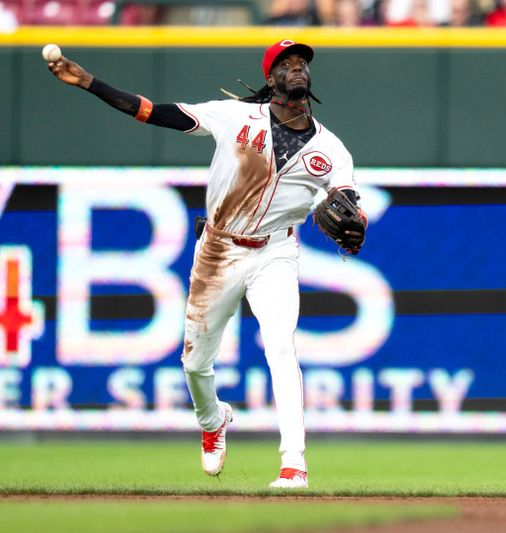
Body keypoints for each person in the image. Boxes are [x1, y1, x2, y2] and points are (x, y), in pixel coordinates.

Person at [46, 39, 367, 489]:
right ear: (270, 78)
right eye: (286, 64)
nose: (297, 70)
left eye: (302, 64)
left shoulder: (331, 149)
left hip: (274, 252)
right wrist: (88, 83)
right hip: (217, 250)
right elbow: (152, 111)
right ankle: (213, 421)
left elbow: (349, 198)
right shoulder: (235, 117)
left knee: (281, 349)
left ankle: (294, 464)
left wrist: (355, 219)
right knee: (195, 364)